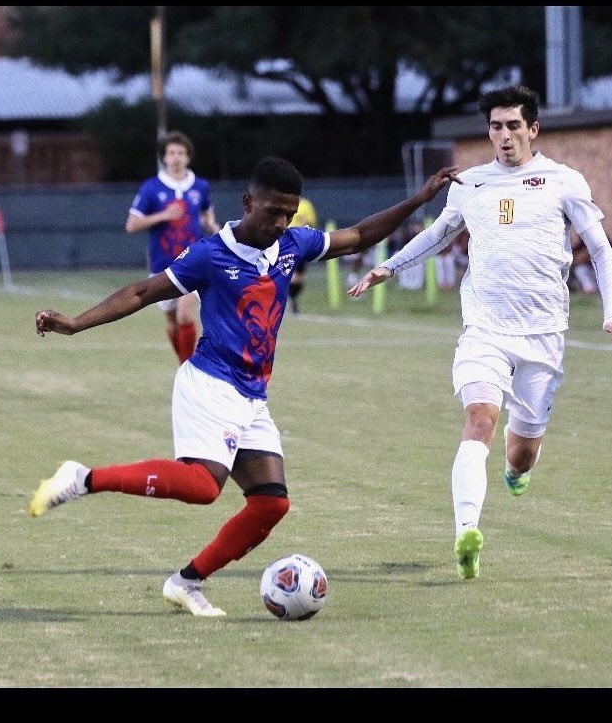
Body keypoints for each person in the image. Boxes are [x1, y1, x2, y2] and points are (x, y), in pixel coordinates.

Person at [29, 156, 462, 616]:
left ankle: (186, 582)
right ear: (248, 202)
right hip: (210, 383)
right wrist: (75, 324)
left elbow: (358, 236)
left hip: (252, 396)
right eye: (272, 211)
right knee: (202, 486)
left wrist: (419, 199)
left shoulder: (293, 245)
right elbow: (142, 292)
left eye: (288, 214)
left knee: (270, 504)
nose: (280, 222)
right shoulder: (210, 255)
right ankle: (82, 478)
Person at [348, 85, 612, 581]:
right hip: (485, 329)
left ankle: (515, 470)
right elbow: (437, 235)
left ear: (533, 129)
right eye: (496, 126)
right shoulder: (470, 183)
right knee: (479, 419)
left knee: (521, 454)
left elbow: (601, 250)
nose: (503, 136)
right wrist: (386, 268)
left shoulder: (564, 182)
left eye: (513, 126)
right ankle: (466, 531)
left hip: (544, 335)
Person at [125, 130, 219, 364]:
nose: (176, 157)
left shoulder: (200, 186)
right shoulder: (151, 187)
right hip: (162, 264)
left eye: (181, 153)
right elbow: (132, 224)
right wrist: (163, 215)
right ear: (164, 157)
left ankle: (188, 371)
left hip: (194, 261)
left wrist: (212, 225)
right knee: (172, 322)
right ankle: (185, 366)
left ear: (188, 157)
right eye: (171, 153)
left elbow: (207, 214)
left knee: (185, 314)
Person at [286, 195, 318, 313]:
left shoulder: (305, 205)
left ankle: (290, 298)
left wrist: (306, 223)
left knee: (299, 277)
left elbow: (311, 223)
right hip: (284, 243)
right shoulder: (280, 202)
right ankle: (287, 300)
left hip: (301, 244)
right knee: (286, 273)